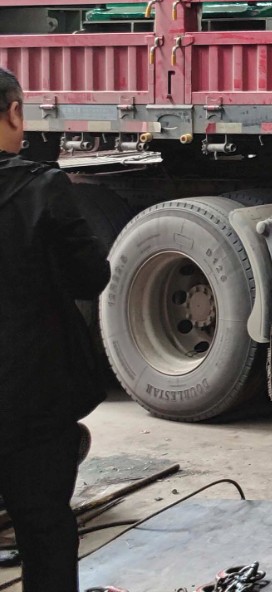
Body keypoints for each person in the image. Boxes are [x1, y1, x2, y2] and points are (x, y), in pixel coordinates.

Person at [0, 66, 110, 592]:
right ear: (14, 112)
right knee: (44, 530)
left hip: (31, 398)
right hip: (32, 397)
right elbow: (90, 278)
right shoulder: (40, 189)